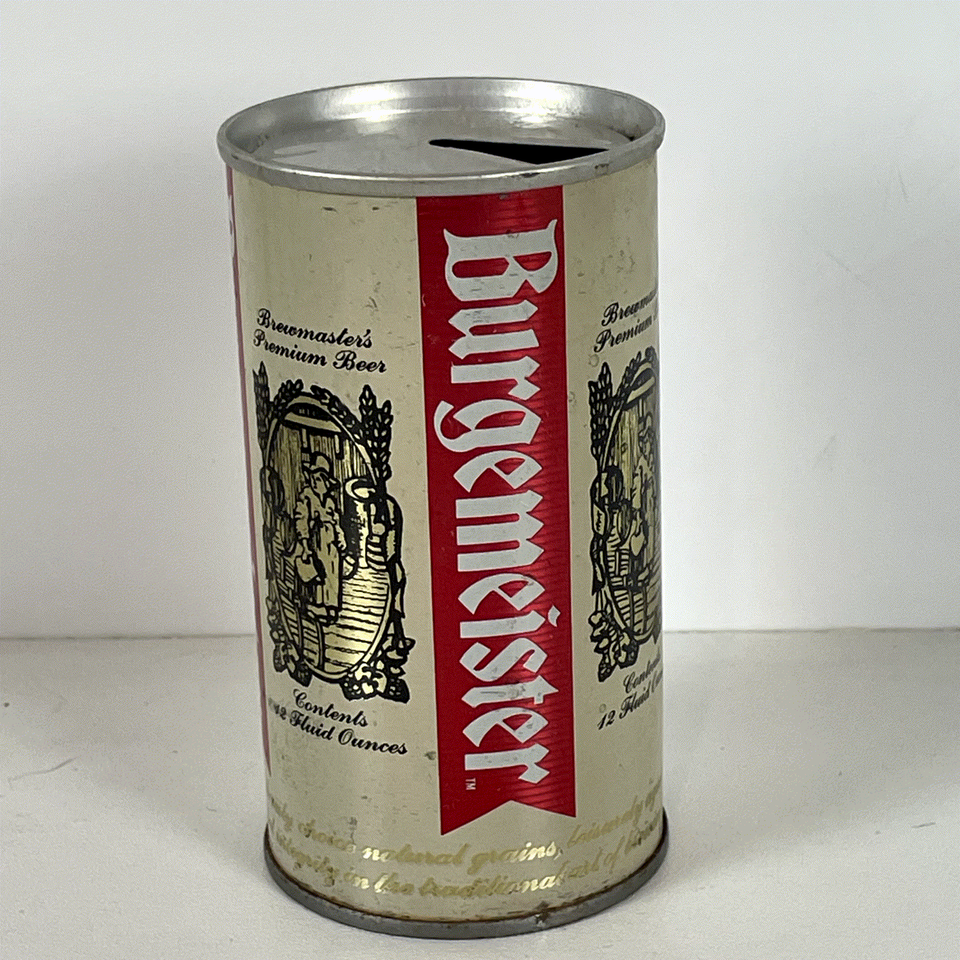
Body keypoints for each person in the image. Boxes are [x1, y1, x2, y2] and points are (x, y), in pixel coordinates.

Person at [293, 453, 345, 620]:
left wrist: (341, 537)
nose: (315, 482)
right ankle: (317, 605)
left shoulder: (329, 501)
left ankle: (332, 607)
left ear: (326, 482)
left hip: (331, 546)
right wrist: (305, 545)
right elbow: (301, 519)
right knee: (318, 573)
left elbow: (336, 521)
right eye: (313, 478)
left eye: (319, 479)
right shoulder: (307, 496)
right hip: (316, 543)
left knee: (332, 575)